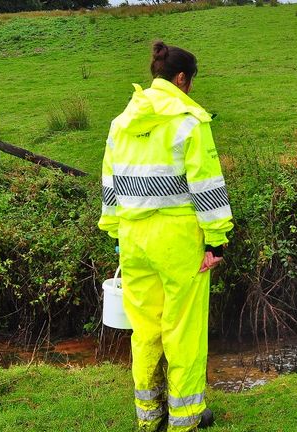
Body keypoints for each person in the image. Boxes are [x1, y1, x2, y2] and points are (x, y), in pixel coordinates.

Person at [98, 41, 233, 432]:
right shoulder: (190, 121)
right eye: (190, 80)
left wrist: (117, 233)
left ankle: (149, 416)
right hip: (177, 238)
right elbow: (206, 186)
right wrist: (216, 239)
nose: (190, 88)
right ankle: (185, 418)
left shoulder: (121, 124)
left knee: (145, 329)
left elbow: (110, 185)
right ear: (180, 78)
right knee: (183, 330)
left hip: (133, 236)